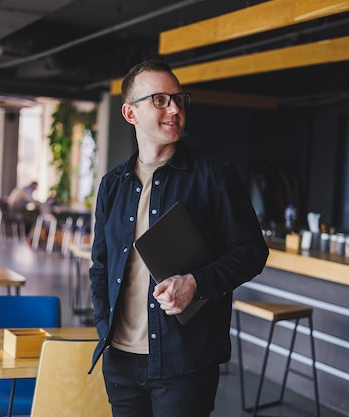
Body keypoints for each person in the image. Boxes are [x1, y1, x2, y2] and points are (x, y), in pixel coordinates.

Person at [88, 60, 270, 417]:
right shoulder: (113, 184)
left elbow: (251, 252)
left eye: (178, 99)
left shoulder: (215, 176)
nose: (174, 109)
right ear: (130, 112)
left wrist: (195, 283)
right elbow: (100, 265)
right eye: (159, 100)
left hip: (185, 363)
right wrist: (103, 325)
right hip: (121, 362)